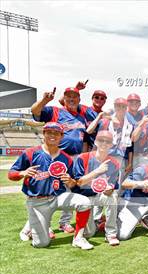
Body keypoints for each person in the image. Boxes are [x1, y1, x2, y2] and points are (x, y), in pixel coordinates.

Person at [7, 122, 93, 250]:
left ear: (61, 136)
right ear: (44, 134)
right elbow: (11, 174)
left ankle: (78, 238)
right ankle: (30, 229)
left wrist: (70, 181)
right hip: (37, 202)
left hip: (58, 197)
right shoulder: (30, 153)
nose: (53, 135)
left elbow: (72, 183)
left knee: (85, 202)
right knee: (42, 243)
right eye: (49, 132)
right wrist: (22, 173)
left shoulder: (67, 158)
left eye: (56, 133)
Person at [31, 87, 89, 234]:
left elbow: (82, 140)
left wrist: (82, 157)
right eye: (68, 96)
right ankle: (46, 224)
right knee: (49, 189)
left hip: (75, 158)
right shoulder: (55, 111)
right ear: (64, 98)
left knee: (70, 189)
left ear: (79, 100)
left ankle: (65, 222)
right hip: (56, 156)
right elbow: (35, 112)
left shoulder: (81, 117)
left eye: (75, 96)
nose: (71, 99)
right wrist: (44, 100)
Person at [72, 131, 121, 246]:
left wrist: (110, 188)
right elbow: (79, 182)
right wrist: (97, 171)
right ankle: (97, 223)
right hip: (85, 197)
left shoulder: (114, 163)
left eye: (107, 141)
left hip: (101, 196)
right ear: (96, 142)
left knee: (112, 196)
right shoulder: (83, 157)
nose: (104, 143)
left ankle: (110, 233)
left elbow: (113, 185)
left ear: (111, 144)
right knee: (89, 233)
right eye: (101, 140)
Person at [87, 98, 134, 182]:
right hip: (104, 155)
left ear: (126, 108)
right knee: (100, 179)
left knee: (116, 183)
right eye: (118, 106)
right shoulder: (105, 121)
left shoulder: (129, 125)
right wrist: (99, 116)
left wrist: (130, 162)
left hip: (120, 157)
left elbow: (130, 146)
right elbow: (89, 131)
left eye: (123, 106)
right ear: (114, 107)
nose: (121, 108)